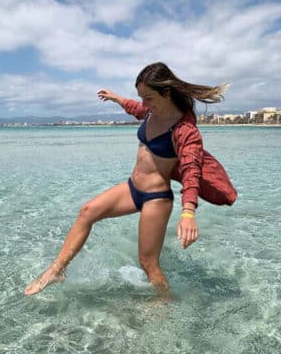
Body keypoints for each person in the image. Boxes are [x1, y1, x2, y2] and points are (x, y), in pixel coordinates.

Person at [24, 62, 237, 296]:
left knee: (148, 263)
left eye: (148, 97)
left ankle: (164, 302)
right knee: (87, 212)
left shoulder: (185, 130)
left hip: (156, 199)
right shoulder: (150, 111)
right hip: (132, 188)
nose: (144, 103)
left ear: (166, 93)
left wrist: (188, 213)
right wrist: (116, 98)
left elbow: (191, 171)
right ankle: (56, 270)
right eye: (141, 97)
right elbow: (134, 107)